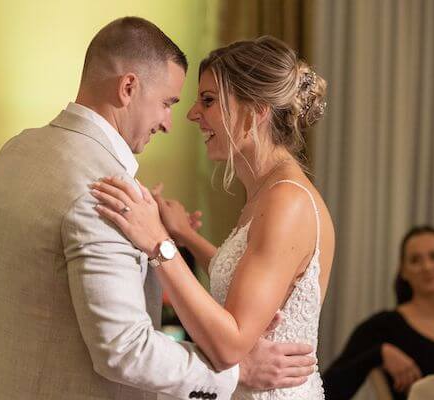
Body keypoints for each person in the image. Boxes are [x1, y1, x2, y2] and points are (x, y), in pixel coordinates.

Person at [0, 18, 317, 400]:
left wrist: (168, 240)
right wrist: (235, 375)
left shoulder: (17, 151)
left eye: (205, 101)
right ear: (128, 87)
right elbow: (124, 349)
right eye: (167, 102)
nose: (172, 122)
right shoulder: (105, 190)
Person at [91, 35, 335, 399]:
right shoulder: (269, 192)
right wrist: (183, 236)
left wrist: (159, 243)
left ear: (255, 111)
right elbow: (244, 275)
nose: (191, 114)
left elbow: (229, 345)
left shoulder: (288, 202)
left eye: (208, 101)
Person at [323, 226, 434, 400]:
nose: (427, 266)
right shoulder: (383, 327)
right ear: (403, 271)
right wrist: (378, 354)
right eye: (415, 260)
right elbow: (327, 390)